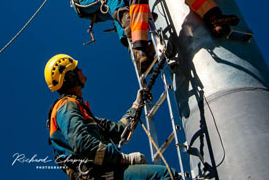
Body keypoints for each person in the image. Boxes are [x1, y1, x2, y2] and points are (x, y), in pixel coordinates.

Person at [45, 53, 177, 179]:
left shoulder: (84, 113)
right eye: (76, 69)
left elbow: (119, 131)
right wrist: (123, 159)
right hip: (96, 175)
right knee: (165, 175)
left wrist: (136, 106)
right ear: (70, 76)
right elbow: (83, 144)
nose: (81, 70)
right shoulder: (66, 106)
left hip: (102, 173)